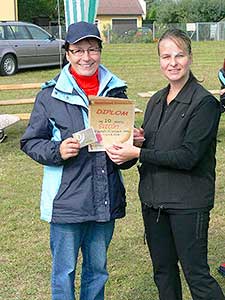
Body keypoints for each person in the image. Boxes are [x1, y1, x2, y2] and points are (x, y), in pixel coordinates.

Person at [106, 29, 225, 300]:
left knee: (197, 276)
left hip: (187, 203)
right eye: (166, 56)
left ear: (190, 58)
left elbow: (188, 156)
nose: (173, 62)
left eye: (179, 55)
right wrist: (138, 141)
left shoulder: (204, 103)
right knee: (163, 272)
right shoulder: (156, 100)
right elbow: (151, 147)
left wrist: (138, 152)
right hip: (153, 203)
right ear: (159, 60)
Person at [20, 21, 128, 300]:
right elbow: (30, 141)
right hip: (66, 203)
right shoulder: (50, 94)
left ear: (100, 51)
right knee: (64, 272)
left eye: (92, 49)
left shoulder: (115, 91)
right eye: (78, 50)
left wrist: (130, 146)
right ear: (67, 53)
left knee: (98, 271)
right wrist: (58, 151)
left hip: (104, 199)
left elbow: (123, 157)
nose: (86, 57)